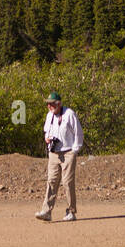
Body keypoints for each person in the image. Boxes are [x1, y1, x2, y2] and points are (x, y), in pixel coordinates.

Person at [35, 92, 83, 222]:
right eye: (48, 104)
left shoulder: (69, 114)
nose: (50, 106)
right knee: (51, 181)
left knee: (67, 182)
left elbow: (78, 133)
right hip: (54, 153)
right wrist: (48, 139)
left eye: (52, 103)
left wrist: (74, 150)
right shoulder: (49, 116)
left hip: (68, 152)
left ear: (59, 103)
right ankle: (46, 211)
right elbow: (46, 131)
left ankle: (71, 211)